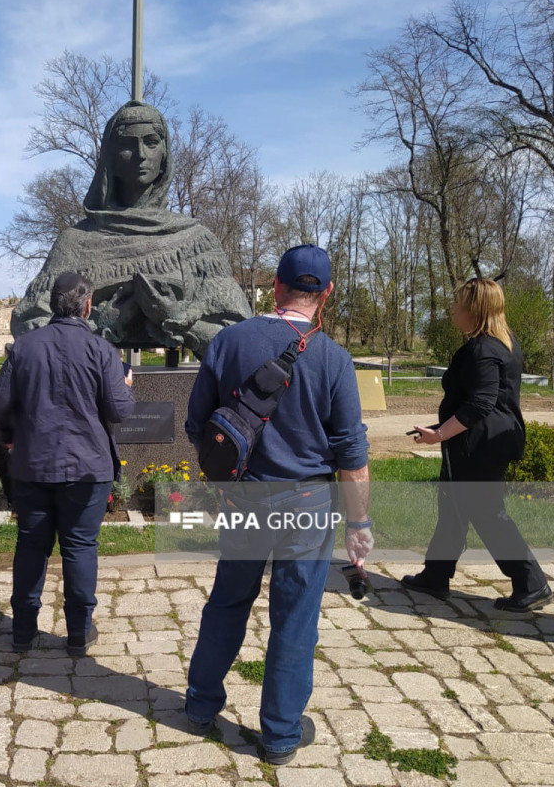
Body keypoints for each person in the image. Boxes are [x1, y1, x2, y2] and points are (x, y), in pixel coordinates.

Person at [182, 245, 373, 765]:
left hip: (244, 496)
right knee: (295, 617)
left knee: (227, 601)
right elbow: (353, 453)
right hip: (308, 501)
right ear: (326, 293)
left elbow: (197, 426)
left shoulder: (228, 342)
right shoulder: (333, 357)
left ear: (275, 285)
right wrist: (360, 524)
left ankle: (200, 705)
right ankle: (281, 734)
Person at [10, 101, 250, 359]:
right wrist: (99, 324)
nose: (141, 154)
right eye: (127, 144)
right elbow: (28, 329)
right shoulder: (75, 242)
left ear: (165, 153)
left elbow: (238, 338)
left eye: (151, 142)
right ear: (110, 156)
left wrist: (179, 322)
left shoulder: (195, 240)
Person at [0, 272, 136, 656]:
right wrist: (127, 387)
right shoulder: (102, 351)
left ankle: (23, 630)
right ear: (87, 306)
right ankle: (78, 631)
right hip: (87, 468)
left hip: (33, 464)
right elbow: (120, 410)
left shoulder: (24, 347)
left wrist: (8, 436)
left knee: (31, 546)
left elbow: (1, 404)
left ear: (54, 304)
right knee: (79, 547)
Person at [404, 278, 553, 612]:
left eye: (457, 304)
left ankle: (531, 582)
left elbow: (480, 405)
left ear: (473, 310)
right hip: (486, 439)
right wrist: (440, 429)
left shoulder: (482, 349)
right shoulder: (505, 342)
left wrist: (439, 434)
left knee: (487, 514)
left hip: (477, 445)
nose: (452, 309)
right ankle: (436, 574)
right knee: (453, 507)